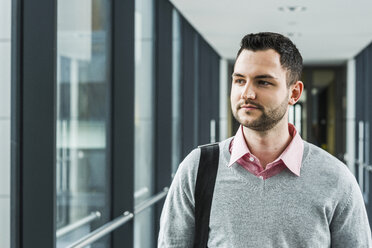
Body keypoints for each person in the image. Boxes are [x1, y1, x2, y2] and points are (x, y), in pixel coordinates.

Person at [158, 32, 372, 247]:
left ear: (294, 93)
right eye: (240, 80)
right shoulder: (198, 168)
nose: (247, 93)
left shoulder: (335, 178)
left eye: (263, 82)